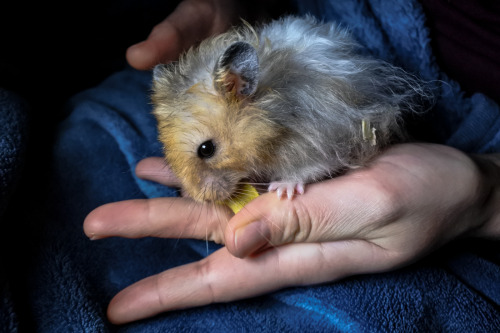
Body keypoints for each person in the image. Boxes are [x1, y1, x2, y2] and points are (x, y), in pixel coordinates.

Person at [2, 0, 498, 331]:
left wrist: (487, 195)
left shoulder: (306, 113)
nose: (199, 180)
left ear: (243, 88)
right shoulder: (227, 105)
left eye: (205, 152)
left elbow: (339, 138)